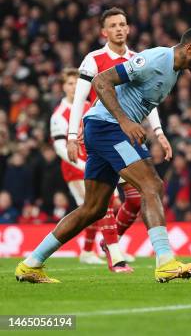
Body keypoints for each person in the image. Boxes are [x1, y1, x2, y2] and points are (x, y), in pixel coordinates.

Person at [15, 26, 191, 283]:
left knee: (93, 209)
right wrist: (124, 121)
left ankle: (31, 264)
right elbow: (101, 81)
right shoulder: (155, 59)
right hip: (107, 127)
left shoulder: (174, 70)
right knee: (151, 184)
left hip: (104, 129)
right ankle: (165, 261)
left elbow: (140, 100)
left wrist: (155, 130)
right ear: (189, 47)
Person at [66, 7, 173, 265]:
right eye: (113, 25)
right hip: (103, 133)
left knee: (136, 199)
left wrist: (159, 132)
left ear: (128, 28)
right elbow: (79, 99)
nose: (119, 29)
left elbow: (151, 101)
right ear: (104, 32)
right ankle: (115, 256)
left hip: (127, 135)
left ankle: (109, 243)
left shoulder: (139, 58)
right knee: (107, 198)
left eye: (122, 24)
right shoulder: (93, 59)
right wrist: (71, 134)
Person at [50, 68, 127, 269]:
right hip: (75, 168)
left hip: (97, 163)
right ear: (62, 87)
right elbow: (60, 148)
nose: (73, 87)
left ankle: (89, 250)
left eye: (76, 83)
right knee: (96, 205)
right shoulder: (59, 115)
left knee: (96, 207)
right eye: (69, 83)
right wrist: (83, 165)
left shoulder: (90, 106)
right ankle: (110, 249)